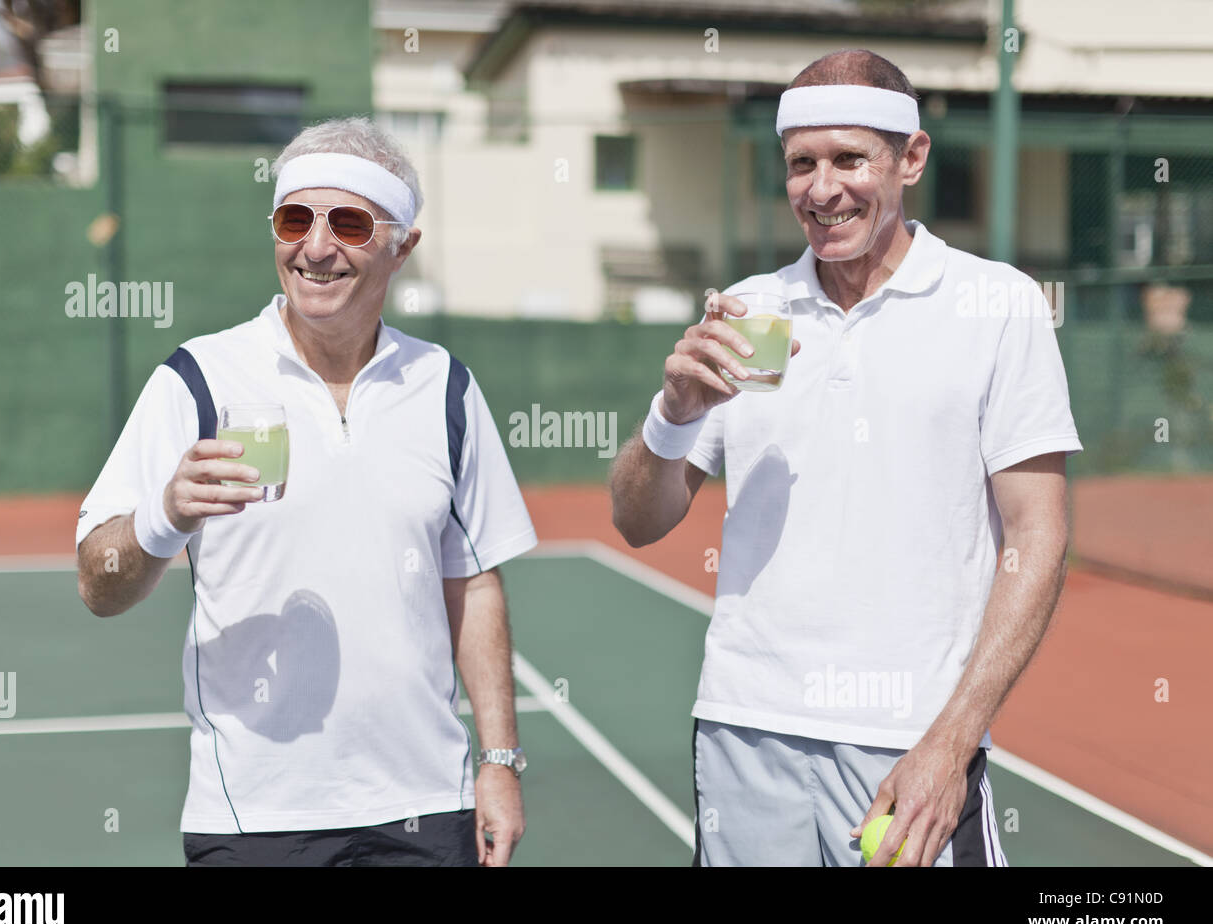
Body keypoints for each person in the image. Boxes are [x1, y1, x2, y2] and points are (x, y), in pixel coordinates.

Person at [609, 50, 1082, 866]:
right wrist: (673, 414)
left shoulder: (998, 304)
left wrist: (951, 743)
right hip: (744, 733)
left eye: (849, 160)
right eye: (801, 164)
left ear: (912, 158)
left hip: (910, 747)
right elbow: (637, 520)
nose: (822, 190)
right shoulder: (750, 310)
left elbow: (1036, 539)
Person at [76, 117, 537, 867]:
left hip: (425, 809)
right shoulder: (195, 380)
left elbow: (475, 583)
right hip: (252, 817)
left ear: (402, 246)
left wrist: (500, 760)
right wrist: (164, 516)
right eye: (296, 218)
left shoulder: (446, 386)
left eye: (350, 223)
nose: (316, 247)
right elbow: (100, 585)